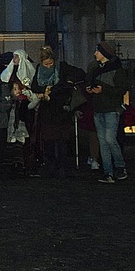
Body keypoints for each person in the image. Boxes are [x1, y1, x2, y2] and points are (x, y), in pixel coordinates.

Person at [32, 46, 86, 179]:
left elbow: (78, 75)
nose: (49, 66)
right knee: (49, 140)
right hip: (48, 110)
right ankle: (51, 166)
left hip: (61, 109)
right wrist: (44, 90)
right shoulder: (39, 70)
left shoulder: (62, 68)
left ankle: (62, 167)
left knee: (62, 140)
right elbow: (34, 86)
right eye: (46, 64)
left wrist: (61, 86)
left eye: (51, 63)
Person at [87, 40, 130, 184]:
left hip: (111, 109)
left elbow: (121, 89)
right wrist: (91, 89)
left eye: (97, 51)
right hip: (99, 108)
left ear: (104, 53)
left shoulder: (116, 70)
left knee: (109, 140)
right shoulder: (97, 69)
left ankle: (119, 167)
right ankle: (108, 172)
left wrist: (103, 90)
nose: (95, 54)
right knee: (104, 141)